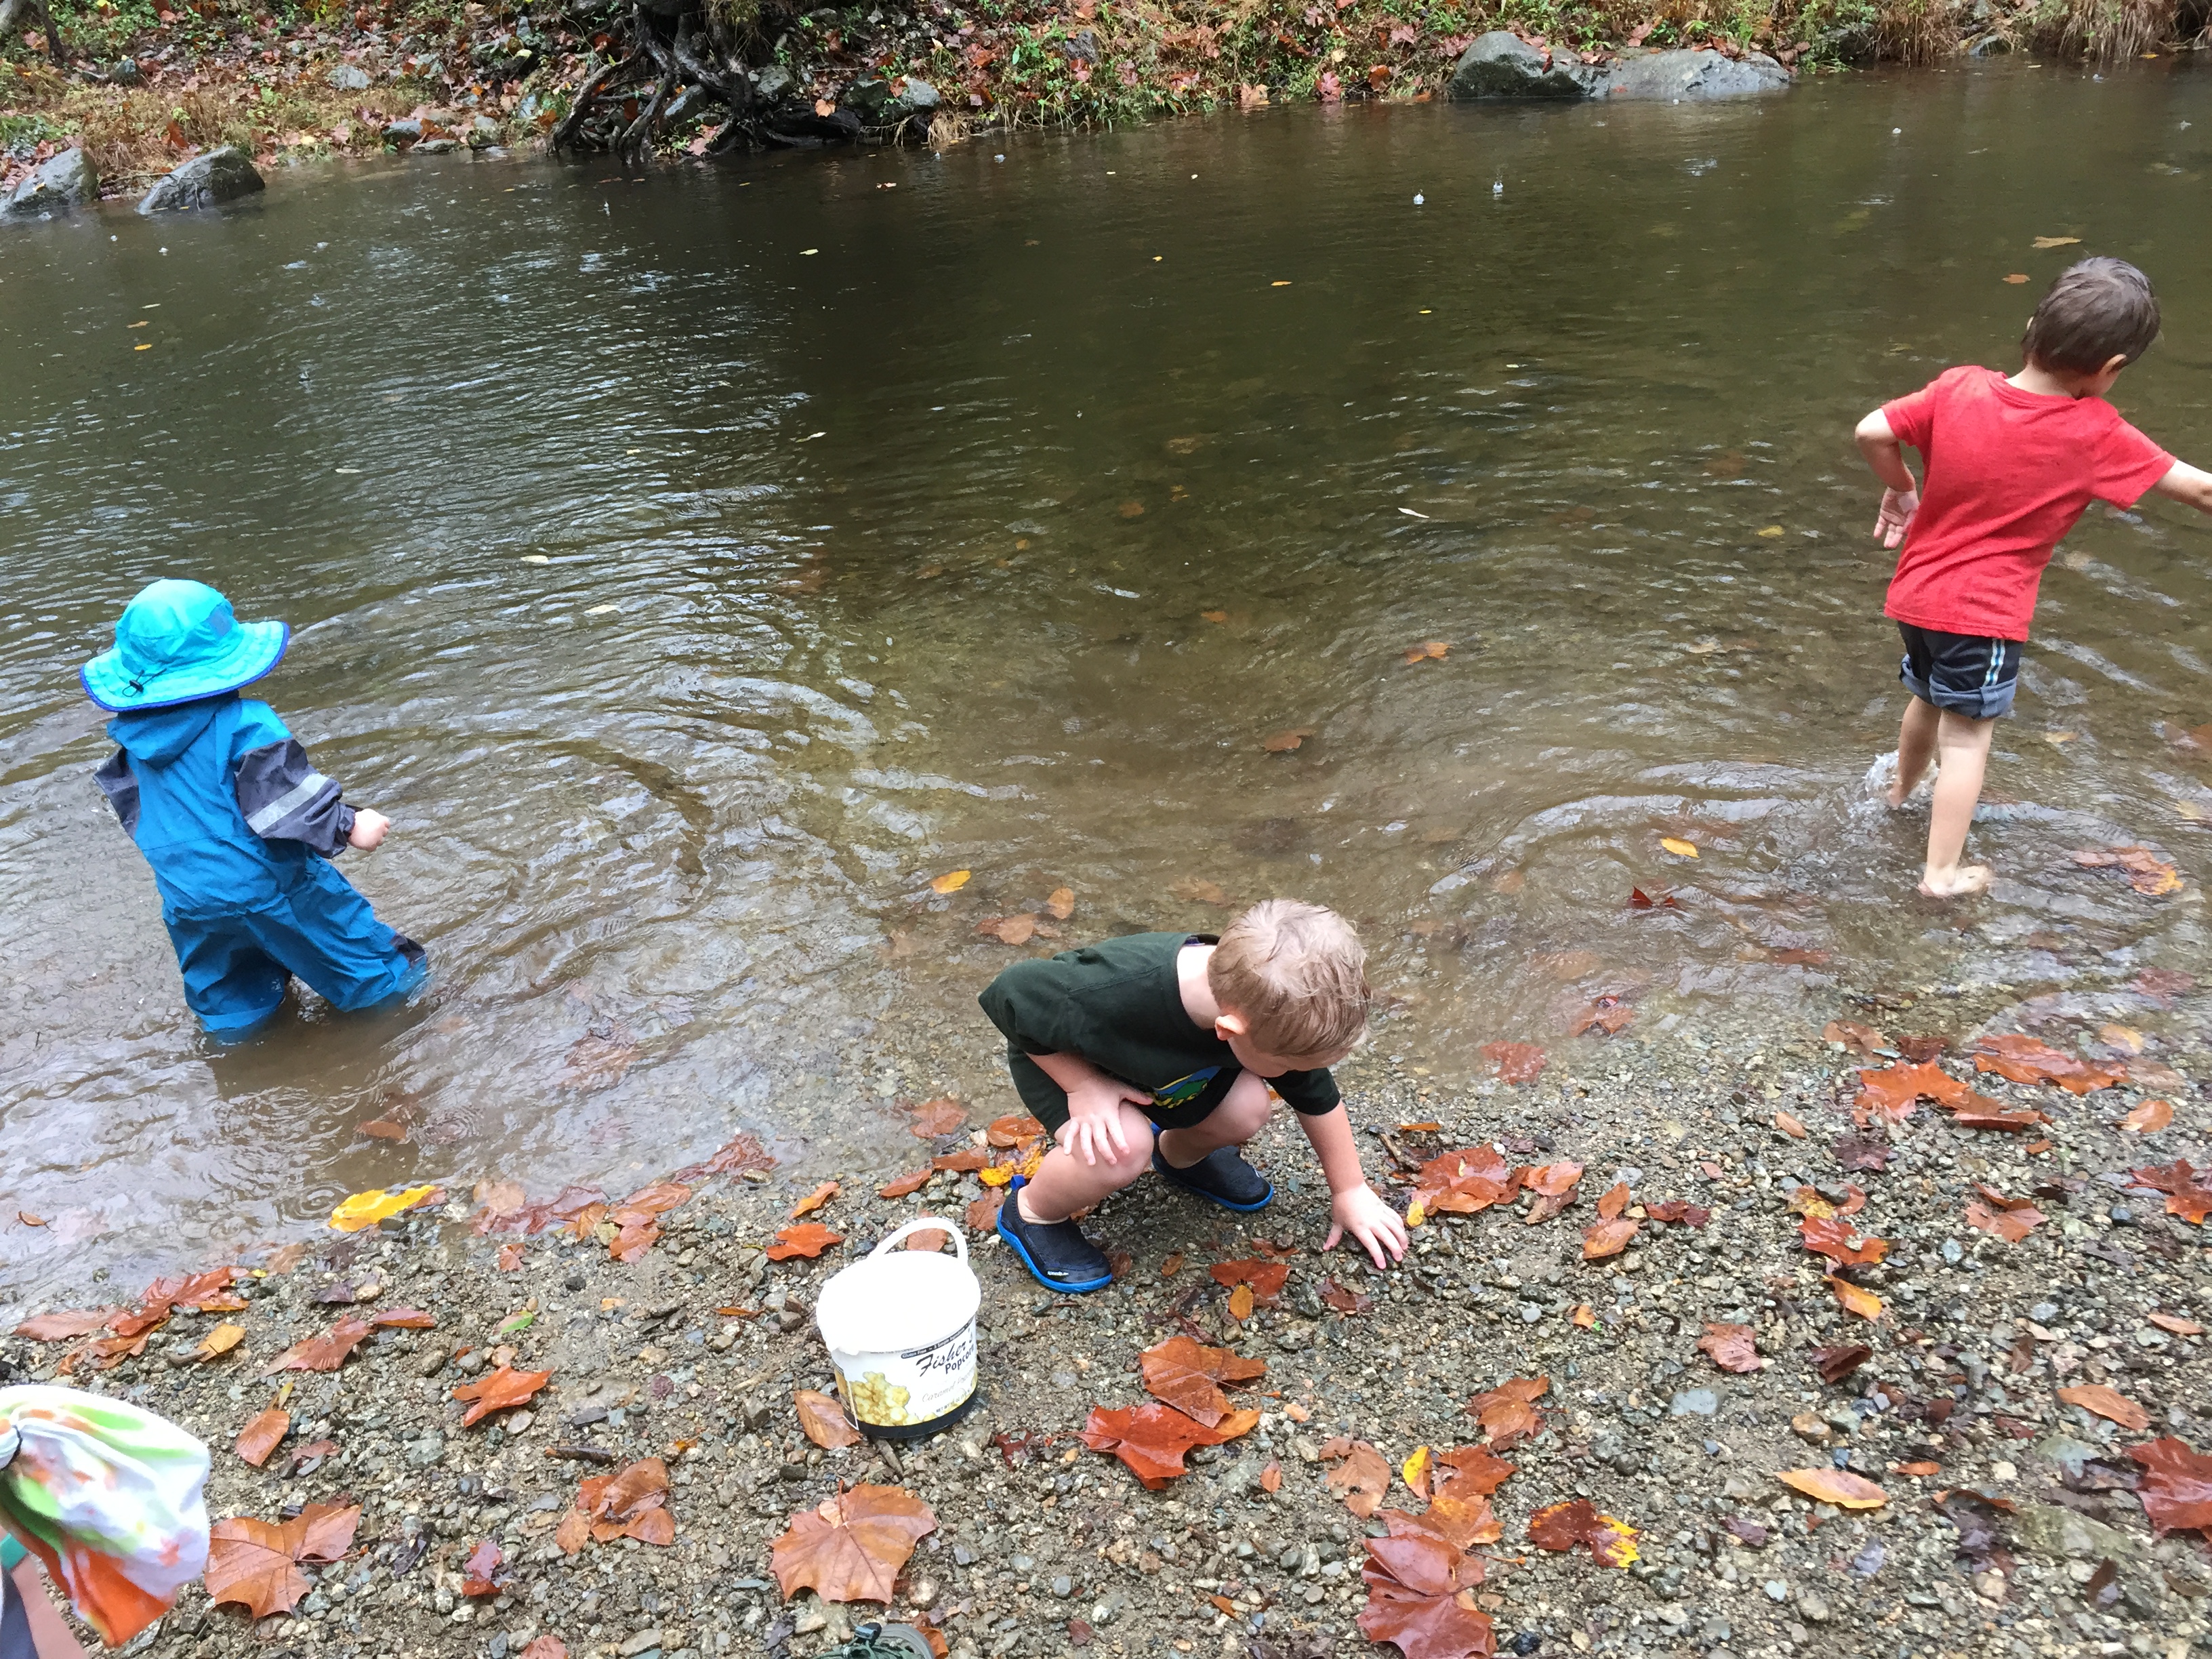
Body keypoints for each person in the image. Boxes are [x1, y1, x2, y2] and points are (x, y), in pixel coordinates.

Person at [1854, 256, 2212, 896]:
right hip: (1983, 616)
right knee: (1966, 739)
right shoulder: (2094, 431)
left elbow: (1872, 430)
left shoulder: (1957, 386)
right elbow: (2200, 492)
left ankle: (1899, 796)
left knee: (1927, 700)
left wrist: (1901, 488)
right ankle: (1940, 875)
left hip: (1915, 597)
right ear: (2111, 371)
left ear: (2030, 327)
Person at [977, 898, 1408, 1293]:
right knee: (1123, 1148)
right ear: (1229, 1031)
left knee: (1248, 1108)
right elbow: (1010, 994)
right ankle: (1034, 1212)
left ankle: (1180, 1159)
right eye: (1293, 1065)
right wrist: (1083, 1085)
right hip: (1071, 1065)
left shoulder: (1268, 1009)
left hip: (1166, 1075)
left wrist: (1349, 1190)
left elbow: (1316, 1097)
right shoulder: (1116, 989)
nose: (1302, 1074)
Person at [81, 579, 426, 1040]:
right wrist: (349, 824)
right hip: (273, 887)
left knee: (228, 994)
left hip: (188, 897)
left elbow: (137, 813)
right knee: (372, 966)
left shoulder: (131, 746)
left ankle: (241, 1054)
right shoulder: (245, 724)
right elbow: (282, 800)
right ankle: (411, 1029)